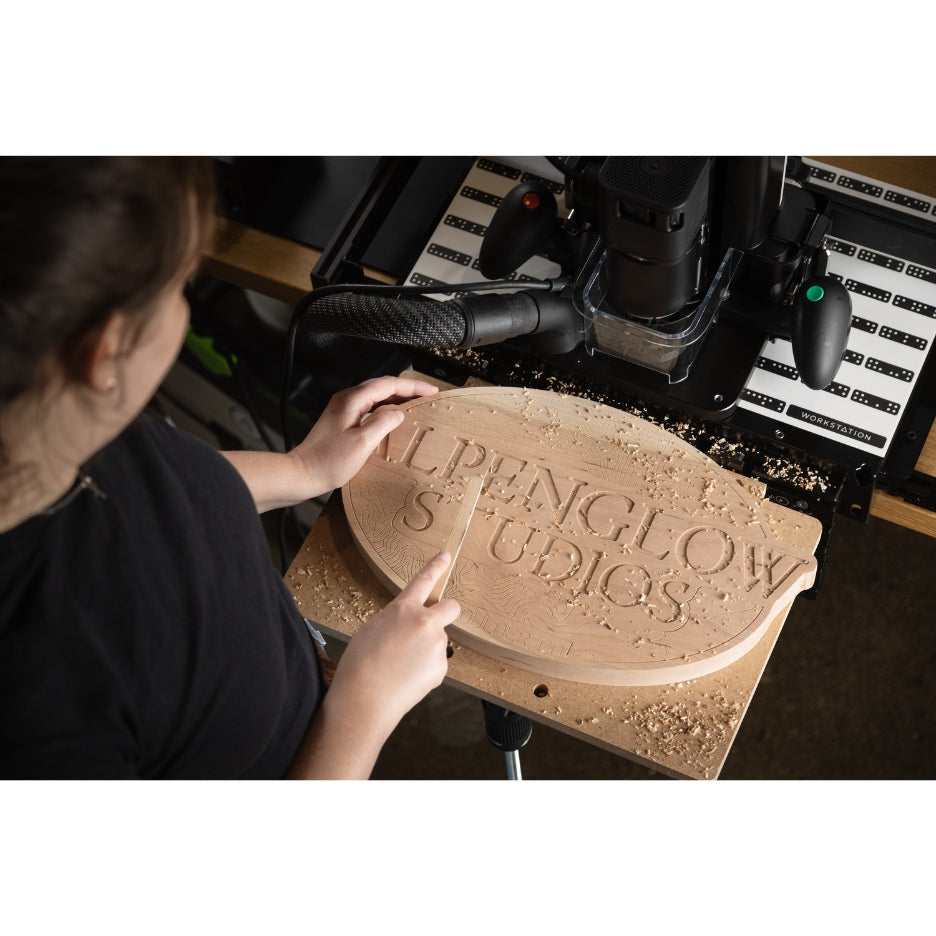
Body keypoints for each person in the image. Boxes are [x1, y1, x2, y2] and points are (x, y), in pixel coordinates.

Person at [0, 156, 461, 779]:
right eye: (179, 285)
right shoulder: (42, 720)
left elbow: (163, 490)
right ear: (104, 351)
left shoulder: (46, 413)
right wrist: (363, 706)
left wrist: (301, 470)